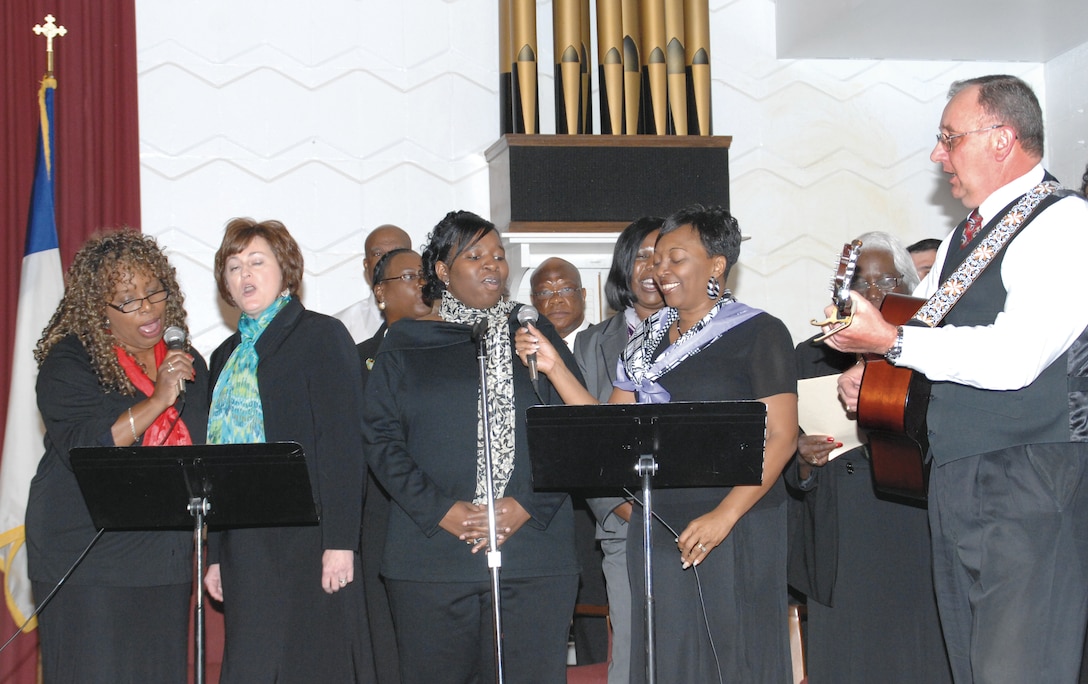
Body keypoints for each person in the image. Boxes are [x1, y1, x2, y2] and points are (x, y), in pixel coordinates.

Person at [824, 75, 1088, 683]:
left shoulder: (1062, 222)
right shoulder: (962, 240)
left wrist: (889, 342)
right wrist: (872, 368)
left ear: (1003, 139)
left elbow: (1018, 356)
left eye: (949, 137)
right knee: (972, 669)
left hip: (1031, 472)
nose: (938, 154)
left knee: (1022, 669)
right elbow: (920, 329)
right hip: (957, 473)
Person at [517, 204, 798, 683]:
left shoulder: (759, 332)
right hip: (659, 526)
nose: (660, 271)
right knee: (666, 658)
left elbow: (783, 435)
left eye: (676, 259)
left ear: (716, 265)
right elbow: (610, 431)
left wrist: (723, 517)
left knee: (735, 658)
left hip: (737, 524)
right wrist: (555, 366)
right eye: (656, 260)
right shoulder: (645, 342)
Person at [362, 210, 580, 684]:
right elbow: (380, 440)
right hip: (433, 560)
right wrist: (442, 509)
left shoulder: (532, 332)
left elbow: (575, 430)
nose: (492, 266)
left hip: (533, 555)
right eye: (475, 255)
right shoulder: (405, 343)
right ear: (441, 270)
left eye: (499, 256)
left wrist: (526, 504)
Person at [26, 230, 209, 682]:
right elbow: (87, 449)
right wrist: (157, 401)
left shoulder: (188, 363)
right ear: (99, 310)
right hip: (84, 556)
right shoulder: (71, 363)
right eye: (127, 300)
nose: (146, 308)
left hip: (161, 557)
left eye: (153, 292)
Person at [202, 218, 372, 682]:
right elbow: (217, 465)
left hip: (311, 541)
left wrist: (341, 541)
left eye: (257, 262)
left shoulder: (321, 336)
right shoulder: (225, 355)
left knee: (312, 666)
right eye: (234, 267)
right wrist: (216, 552)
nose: (245, 275)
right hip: (246, 546)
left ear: (286, 270)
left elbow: (342, 447)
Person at [787, 232, 951, 683]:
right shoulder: (811, 355)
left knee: (918, 654)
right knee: (849, 656)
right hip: (842, 526)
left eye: (887, 279)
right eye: (863, 281)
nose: (874, 291)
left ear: (909, 285)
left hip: (913, 522)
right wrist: (802, 460)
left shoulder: (933, 351)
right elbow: (784, 446)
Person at [572, 215, 664, 684]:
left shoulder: (708, 330)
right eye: (641, 255)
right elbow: (583, 436)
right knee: (631, 655)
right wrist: (619, 509)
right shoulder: (593, 342)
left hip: (695, 518)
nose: (652, 267)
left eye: (663, 255)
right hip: (625, 525)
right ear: (624, 268)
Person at [357, 247, 432, 684]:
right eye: (408, 276)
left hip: (445, 517)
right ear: (380, 294)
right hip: (379, 518)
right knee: (385, 642)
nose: (421, 283)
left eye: (425, 275)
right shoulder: (356, 357)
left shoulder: (460, 350)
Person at [337, 224, 413, 343]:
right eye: (378, 254)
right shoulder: (342, 326)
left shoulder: (435, 320)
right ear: (366, 265)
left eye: (397, 252)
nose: (387, 260)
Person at [530, 256, 590, 347]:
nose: (556, 300)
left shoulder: (608, 344)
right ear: (533, 300)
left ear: (583, 295)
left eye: (566, 290)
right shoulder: (526, 351)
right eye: (545, 292)